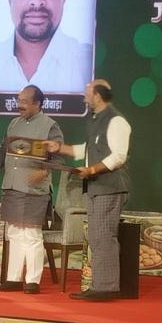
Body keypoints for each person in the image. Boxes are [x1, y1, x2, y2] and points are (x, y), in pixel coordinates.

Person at [46, 79, 131, 301]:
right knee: (96, 236)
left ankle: (106, 288)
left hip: (109, 187)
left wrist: (92, 169)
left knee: (103, 236)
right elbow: (88, 150)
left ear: (98, 96)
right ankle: (100, 285)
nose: (84, 97)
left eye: (87, 93)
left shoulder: (116, 121)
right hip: (95, 187)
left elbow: (119, 156)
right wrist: (60, 148)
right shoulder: (96, 120)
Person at [0, 85, 63, 293]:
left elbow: (58, 158)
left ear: (37, 103)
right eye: (18, 100)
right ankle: (13, 279)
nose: (19, 105)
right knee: (14, 233)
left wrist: (44, 172)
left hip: (34, 190)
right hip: (12, 185)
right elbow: (2, 150)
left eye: (24, 101)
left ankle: (33, 281)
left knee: (31, 233)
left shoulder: (50, 126)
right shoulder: (14, 123)